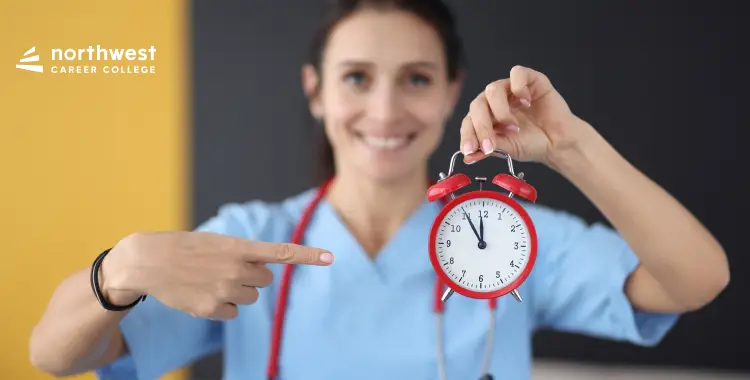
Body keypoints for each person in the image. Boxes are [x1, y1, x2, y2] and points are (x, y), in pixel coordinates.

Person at [30, 1, 730, 379]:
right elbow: (55, 357)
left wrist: (571, 145)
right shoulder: (250, 238)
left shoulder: (513, 238)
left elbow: (696, 279)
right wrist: (117, 269)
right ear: (316, 90)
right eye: (358, 77)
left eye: (417, 79)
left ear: (452, 90)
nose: (387, 110)